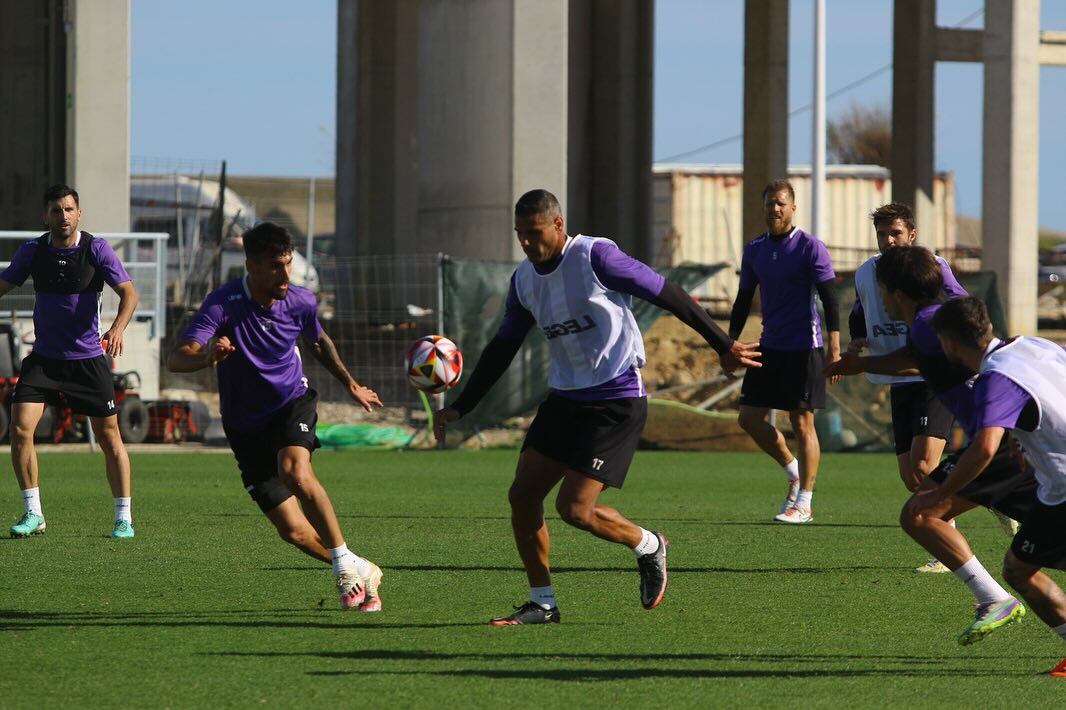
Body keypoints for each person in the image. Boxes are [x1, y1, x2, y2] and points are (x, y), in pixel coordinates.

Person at [434, 189, 760, 626]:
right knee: (522, 496)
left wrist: (723, 344)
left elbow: (668, 293)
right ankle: (542, 604)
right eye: (519, 234)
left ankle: (648, 545)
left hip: (615, 400)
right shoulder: (524, 280)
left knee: (575, 510)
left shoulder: (595, 257)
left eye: (534, 232)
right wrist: (461, 407)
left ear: (558, 224)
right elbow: (502, 346)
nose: (526, 242)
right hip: (565, 400)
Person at [167, 222, 384, 611]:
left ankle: (343, 567)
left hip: (291, 403)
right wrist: (207, 357)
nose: (285, 274)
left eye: (288, 263)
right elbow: (178, 357)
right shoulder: (223, 302)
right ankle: (360, 567)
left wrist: (350, 384)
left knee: (294, 471)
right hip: (244, 426)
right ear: (251, 266)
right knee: (293, 531)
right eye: (275, 266)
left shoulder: (300, 300)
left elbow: (318, 341)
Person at [827, 247, 1034, 644]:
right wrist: (862, 365)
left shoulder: (928, 324)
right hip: (1018, 441)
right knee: (1032, 555)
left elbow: (952, 361)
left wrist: (944, 489)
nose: (879, 298)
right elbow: (914, 357)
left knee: (921, 512)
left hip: (1007, 442)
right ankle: (995, 597)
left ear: (896, 294)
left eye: (882, 290)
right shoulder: (930, 322)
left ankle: (994, 598)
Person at [917, 296, 1066, 676]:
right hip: (1055, 485)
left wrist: (942, 491)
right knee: (1021, 566)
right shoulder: (1034, 344)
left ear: (949, 343)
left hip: (1063, 488)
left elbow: (984, 448)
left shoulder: (994, 378)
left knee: (1019, 570)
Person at [2, 185, 139, 539]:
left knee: (109, 438)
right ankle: (33, 512)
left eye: (68, 209)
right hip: (44, 360)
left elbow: (129, 293)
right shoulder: (33, 251)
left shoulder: (96, 249)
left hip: (87, 361)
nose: (62, 216)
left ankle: (123, 517)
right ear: (45, 215)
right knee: (20, 429)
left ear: (79, 213)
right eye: (56, 210)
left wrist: (117, 328)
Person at [848, 202, 968, 572]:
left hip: (935, 376)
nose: (888, 240)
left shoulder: (932, 266)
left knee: (924, 464)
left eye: (896, 233)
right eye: (882, 233)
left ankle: (946, 551)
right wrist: (857, 340)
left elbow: (962, 302)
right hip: (899, 378)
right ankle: (987, 492)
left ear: (911, 235)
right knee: (911, 477)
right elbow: (858, 312)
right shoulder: (866, 272)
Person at [728, 179, 840, 523]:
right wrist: (728, 343)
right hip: (769, 345)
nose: (774, 209)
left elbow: (831, 300)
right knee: (748, 418)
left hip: (804, 347)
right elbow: (743, 299)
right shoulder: (754, 249)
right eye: (769, 203)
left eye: (780, 203)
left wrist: (834, 349)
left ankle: (804, 502)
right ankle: (793, 471)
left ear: (792, 207)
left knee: (802, 421)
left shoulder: (810, 247)